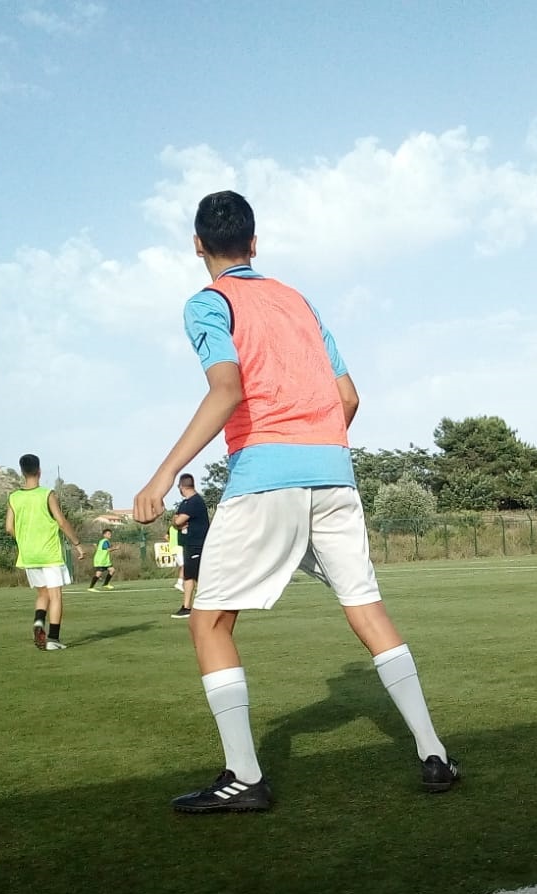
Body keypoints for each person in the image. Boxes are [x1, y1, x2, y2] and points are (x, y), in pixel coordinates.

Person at [133, 189, 458, 814]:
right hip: (335, 475)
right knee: (367, 609)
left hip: (267, 477)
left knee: (209, 620)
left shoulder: (209, 302)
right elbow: (349, 397)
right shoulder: (299, 301)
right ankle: (433, 752)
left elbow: (226, 390)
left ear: (198, 245)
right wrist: (316, 446)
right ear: (254, 243)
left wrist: (162, 475)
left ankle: (245, 777)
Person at [5, 453, 85, 650]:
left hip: (29, 555)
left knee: (42, 594)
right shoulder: (47, 494)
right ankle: (53, 640)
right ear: (39, 471)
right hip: (48, 553)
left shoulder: (14, 497)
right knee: (55, 595)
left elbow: (9, 527)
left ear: (22, 472)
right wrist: (76, 543)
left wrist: (25, 541)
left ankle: (39, 622)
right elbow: (61, 521)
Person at [170, 472, 211, 618]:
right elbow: (175, 520)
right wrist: (176, 522)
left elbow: (178, 521)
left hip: (197, 544)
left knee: (199, 576)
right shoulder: (185, 503)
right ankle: (186, 607)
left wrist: (177, 522)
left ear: (181, 486)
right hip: (188, 544)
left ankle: (209, 606)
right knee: (188, 575)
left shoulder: (195, 501)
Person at [168, 520, 185, 590]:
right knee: (184, 566)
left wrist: (171, 542)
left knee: (182, 566)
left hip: (173, 548)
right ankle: (179, 583)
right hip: (178, 548)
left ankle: (181, 582)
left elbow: (166, 536)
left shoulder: (171, 527)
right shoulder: (179, 527)